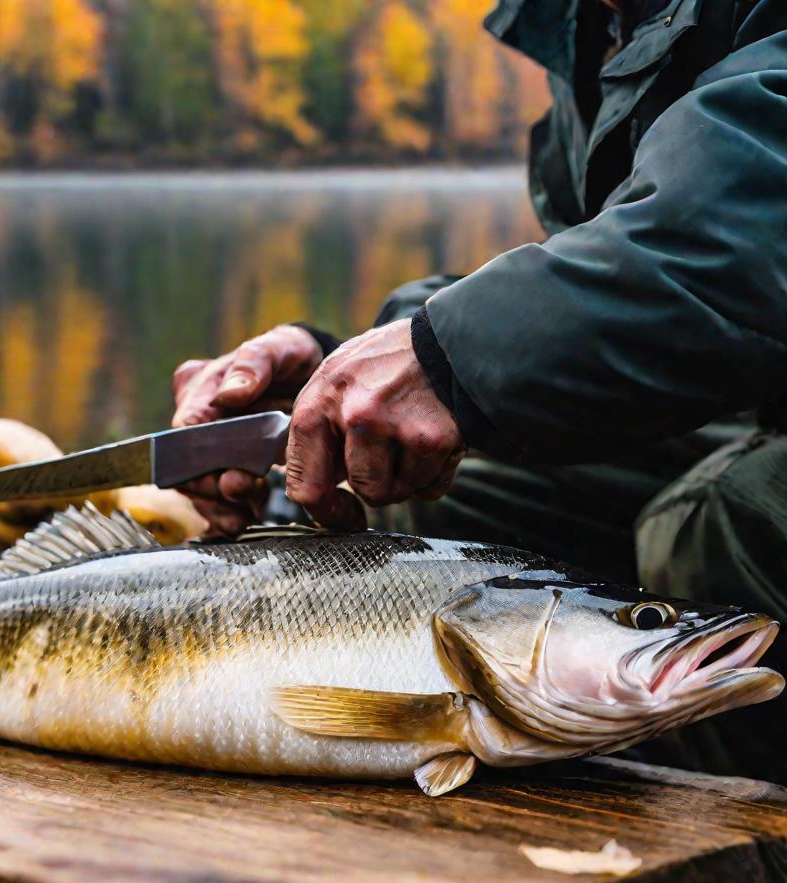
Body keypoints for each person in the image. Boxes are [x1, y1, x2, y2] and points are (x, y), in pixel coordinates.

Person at [171, 0, 787, 779]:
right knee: (427, 487)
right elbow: (606, 269)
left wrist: (448, 359)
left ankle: (744, 857)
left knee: (716, 522)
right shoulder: (589, 21)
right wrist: (350, 369)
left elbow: (746, 231)